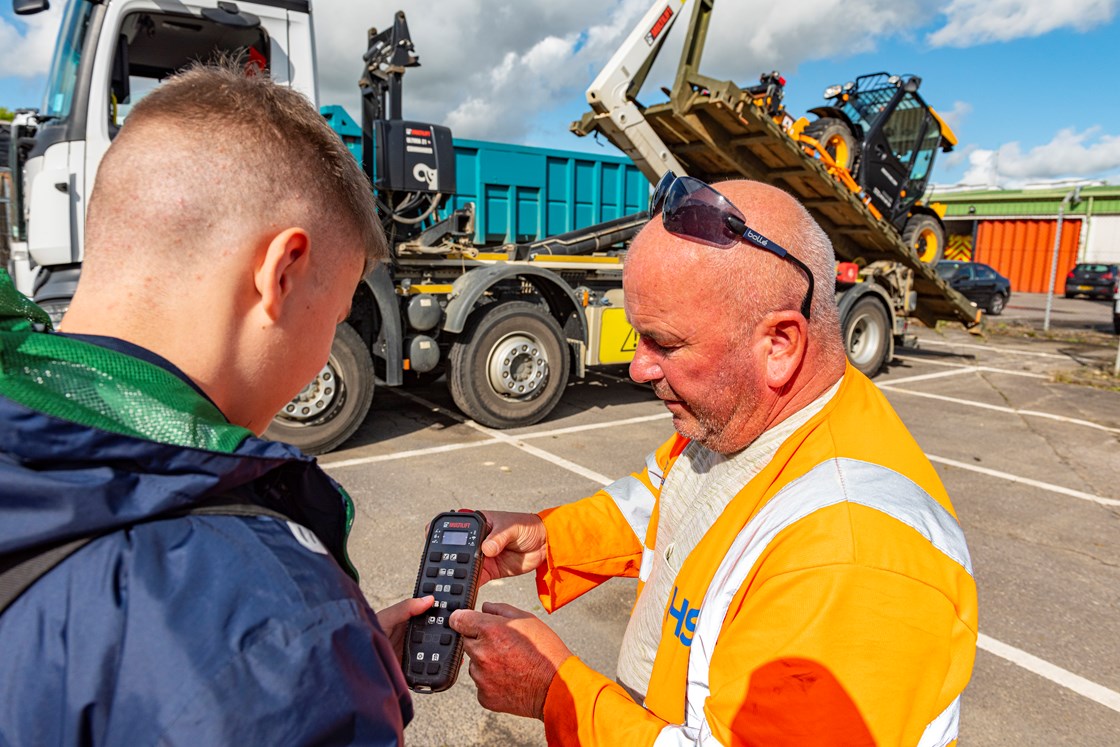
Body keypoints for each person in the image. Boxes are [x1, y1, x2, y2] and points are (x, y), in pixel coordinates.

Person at [450, 175, 978, 746]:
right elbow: (668, 495)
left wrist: (556, 694)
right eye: (637, 338)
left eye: (665, 344)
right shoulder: (741, 416)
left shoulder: (852, 563)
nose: (638, 369)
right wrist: (551, 538)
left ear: (779, 344)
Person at [0, 64, 430, 744]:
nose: (326, 351)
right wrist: (326, 662)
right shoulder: (282, 638)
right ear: (281, 272)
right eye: (339, 313)